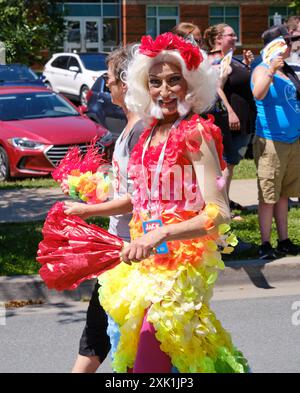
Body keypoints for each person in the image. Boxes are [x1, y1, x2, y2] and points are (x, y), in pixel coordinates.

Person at [98, 32, 250, 373]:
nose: (164, 92)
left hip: (183, 264)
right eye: (155, 82)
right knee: (184, 353)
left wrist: (161, 234)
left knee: (153, 355)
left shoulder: (195, 131)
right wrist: (87, 210)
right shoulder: (150, 131)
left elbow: (219, 212)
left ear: (191, 84)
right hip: (147, 261)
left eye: (173, 81)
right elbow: (139, 199)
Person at [63, 44, 144, 372]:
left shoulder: (140, 131)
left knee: (127, 341)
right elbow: (127, 188)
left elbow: (140, 199)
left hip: (134, 255)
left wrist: (87, 212)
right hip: (118, 251)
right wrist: (95, 189)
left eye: (108, 80)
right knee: (99, 331)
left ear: (126, 83)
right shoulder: (128, 128)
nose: (105, 85)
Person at [251, 25, 300, 260]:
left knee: (283, 195)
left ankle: (284, 240)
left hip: (292, 141)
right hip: (271, 141)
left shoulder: (287, 71)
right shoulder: (262, 69)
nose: (291, 46)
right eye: (287, 42)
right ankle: (265, 244)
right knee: (268, 195)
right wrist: (270, 69)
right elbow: (258, 94)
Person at [203, 24, 257, 213]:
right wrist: (231, 111)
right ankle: (221, 208)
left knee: (230, 165)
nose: (235, 37)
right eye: (230, 35)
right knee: (226, 165)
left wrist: (247, 65)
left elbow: (236, 83)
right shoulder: (214, 59)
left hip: (243, 119)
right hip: (229, 119)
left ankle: (224, 203)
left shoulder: (229, 58)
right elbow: (216, 87)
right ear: (218, 38)